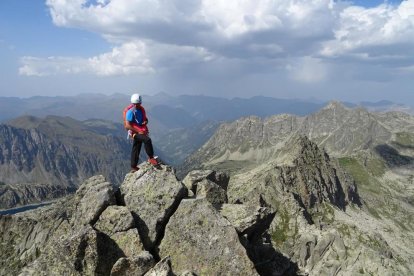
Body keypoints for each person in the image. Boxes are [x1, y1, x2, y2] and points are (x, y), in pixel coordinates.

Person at [125, 93, 158, 172]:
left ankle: (133, 166)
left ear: (140, 103)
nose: (136, 105)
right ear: (133, 103)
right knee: (147, 140)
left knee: (136, 147)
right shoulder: (130, 112)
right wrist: (138, 131)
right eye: (135, 104)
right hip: (134, 132)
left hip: (140, 130)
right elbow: (127, 126)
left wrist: (145, 122)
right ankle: (151, 158)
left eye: (138, 104)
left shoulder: (141, 110)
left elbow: (145, 119)